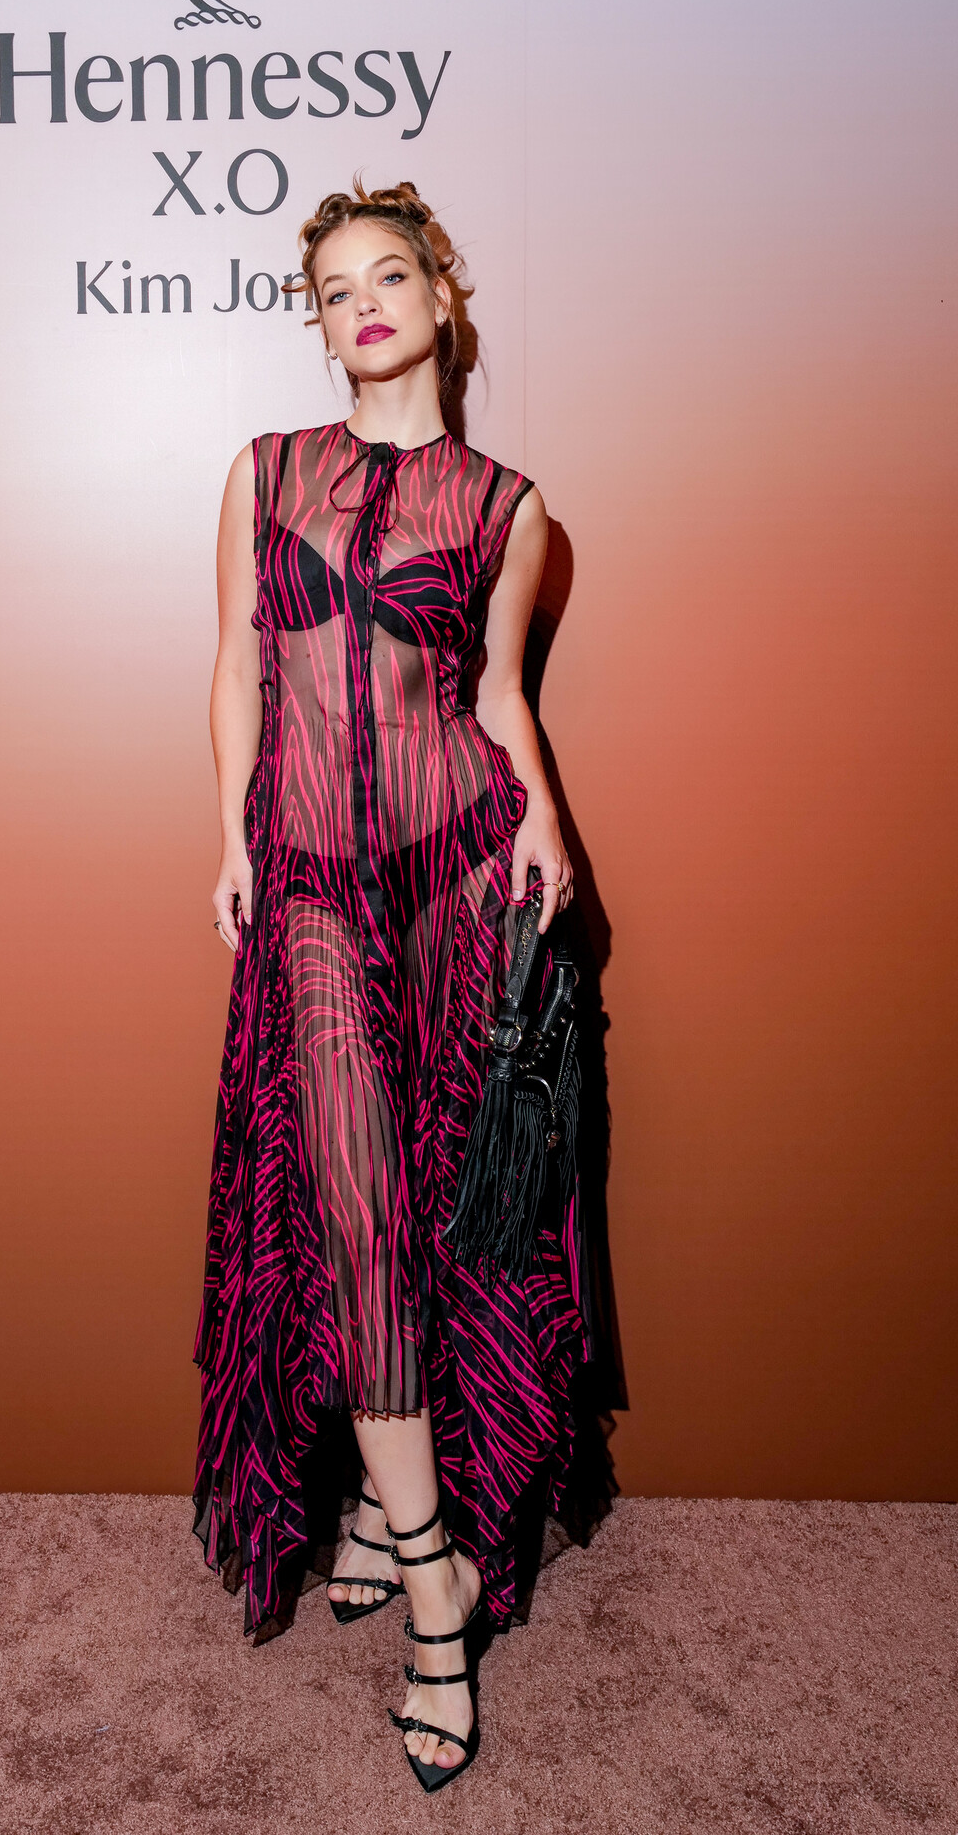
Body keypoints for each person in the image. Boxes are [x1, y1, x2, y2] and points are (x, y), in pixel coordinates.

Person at [193, 179, 586, 1792]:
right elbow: (239, 661)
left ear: (441, 297)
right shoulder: (263, 472)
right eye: (332, 288)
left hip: (458, 871)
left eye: (387, 276)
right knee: (352, 1204)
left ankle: (380, 1504)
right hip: (309, 879)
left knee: (438, 1206)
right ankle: (436, 1590)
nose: (360, 302)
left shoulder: (508, 506)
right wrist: (229, 832)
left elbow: (495, 696)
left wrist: (543, 819)